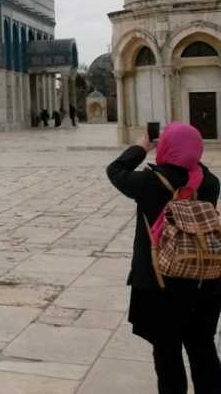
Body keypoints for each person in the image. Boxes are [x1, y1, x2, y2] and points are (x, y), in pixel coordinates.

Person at [106, 123, 221, 392]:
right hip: (205, 280)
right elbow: (194, 169)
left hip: (161, 282)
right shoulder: (211, 182)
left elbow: (115, 170)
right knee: (203, 349)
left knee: (167, 355)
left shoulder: (149, 183)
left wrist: (141, 146)